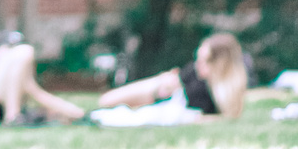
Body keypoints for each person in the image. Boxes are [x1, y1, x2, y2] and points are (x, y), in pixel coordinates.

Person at [91, 32, 251, 121]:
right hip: (162, 93)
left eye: (205, 61)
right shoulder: (193, 75)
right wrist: (161, 87)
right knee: (107, 102)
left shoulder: (225, 89)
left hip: (166, 102)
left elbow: (225, 116)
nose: (198, 65)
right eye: (198, 59)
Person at [0, 37, 87, 127]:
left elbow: (36, 93)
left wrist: (77, 113)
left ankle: (13, 117)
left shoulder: (16, 77)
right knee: (26, 50)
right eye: (8, 48)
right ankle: (12, 116)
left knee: (25, 52)